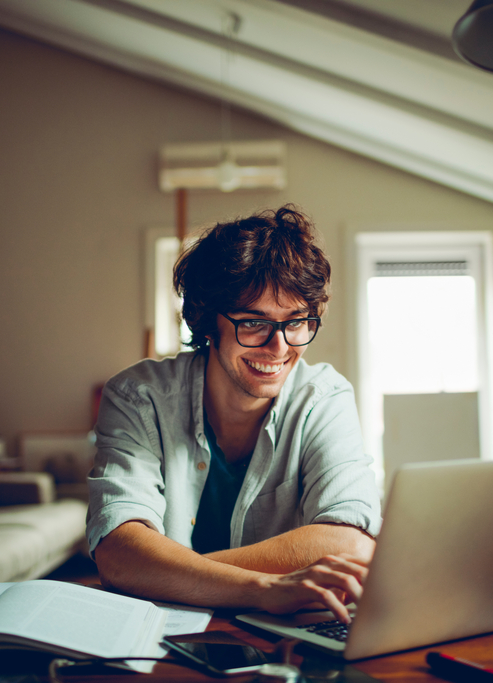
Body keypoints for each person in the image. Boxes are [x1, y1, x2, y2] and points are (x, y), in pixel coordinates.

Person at [87, 205, 382, 623]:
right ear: (205, 321)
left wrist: (168, 573)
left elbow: (350, 546)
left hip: (276, 638)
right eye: (253, 323)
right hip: (159, 638)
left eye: (296, 322)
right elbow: (119, 554)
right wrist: (263, 589)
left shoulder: (325, 397)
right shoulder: (138, 397)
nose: (279, 348)